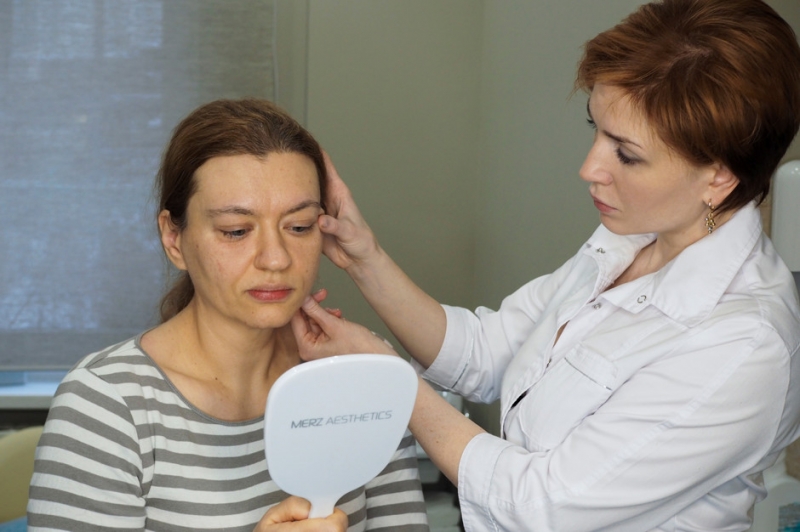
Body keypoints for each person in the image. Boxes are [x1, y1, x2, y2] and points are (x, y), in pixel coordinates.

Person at [290, 0, 800, 530]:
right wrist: (365, 259)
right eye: (595, 129)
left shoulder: (745, 344)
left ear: (719, 177)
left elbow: (541, 506)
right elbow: (485, 351)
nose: (589, 167)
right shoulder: (632, 238)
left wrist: (389, 380)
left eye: (626, 154)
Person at [27, 99, 429, 532]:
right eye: (236, 231)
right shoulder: (106, 405)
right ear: (174, 238)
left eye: (299, 226)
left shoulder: (362, 373)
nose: (275, 259)